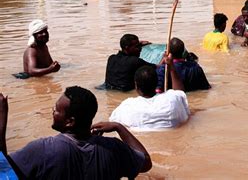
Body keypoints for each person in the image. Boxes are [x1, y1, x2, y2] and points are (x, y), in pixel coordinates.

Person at [0, 86, 152, 179]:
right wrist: (119, 127)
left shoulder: (42, 150)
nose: (53, 110)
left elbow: (3, 171)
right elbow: (145, 163)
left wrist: (1, 123)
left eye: (57, 110)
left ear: (70, 121)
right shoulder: (113, 148)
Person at [110, 59, 190, 130]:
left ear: (136, 86)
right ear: (156, 83)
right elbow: (180, 93)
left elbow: (113, 121)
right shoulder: (171, 100)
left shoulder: (127, 106)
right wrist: (171, 66)